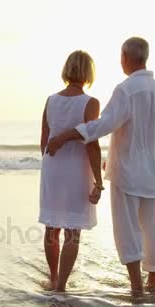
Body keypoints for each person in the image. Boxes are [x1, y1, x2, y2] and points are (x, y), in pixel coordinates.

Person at [46, 37, 155, 295]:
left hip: (127, 172)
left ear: (125, 58)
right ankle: (153, 284)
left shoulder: (126, 90)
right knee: (153, 230)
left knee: (128, 231)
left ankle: (137, 286)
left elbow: (103, 125)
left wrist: (66, 135)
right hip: (154, 172)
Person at [39, 50, 104, 292]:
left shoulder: (50, 100)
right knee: (72, 232)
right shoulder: (90, 103)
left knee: (51, 227)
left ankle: (53, 278)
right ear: (89, 73)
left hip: (53, 167)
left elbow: (44, 141)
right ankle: (62, 286)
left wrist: (52, 167)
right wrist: (98, 180)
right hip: (76, 169)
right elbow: (92, 142)